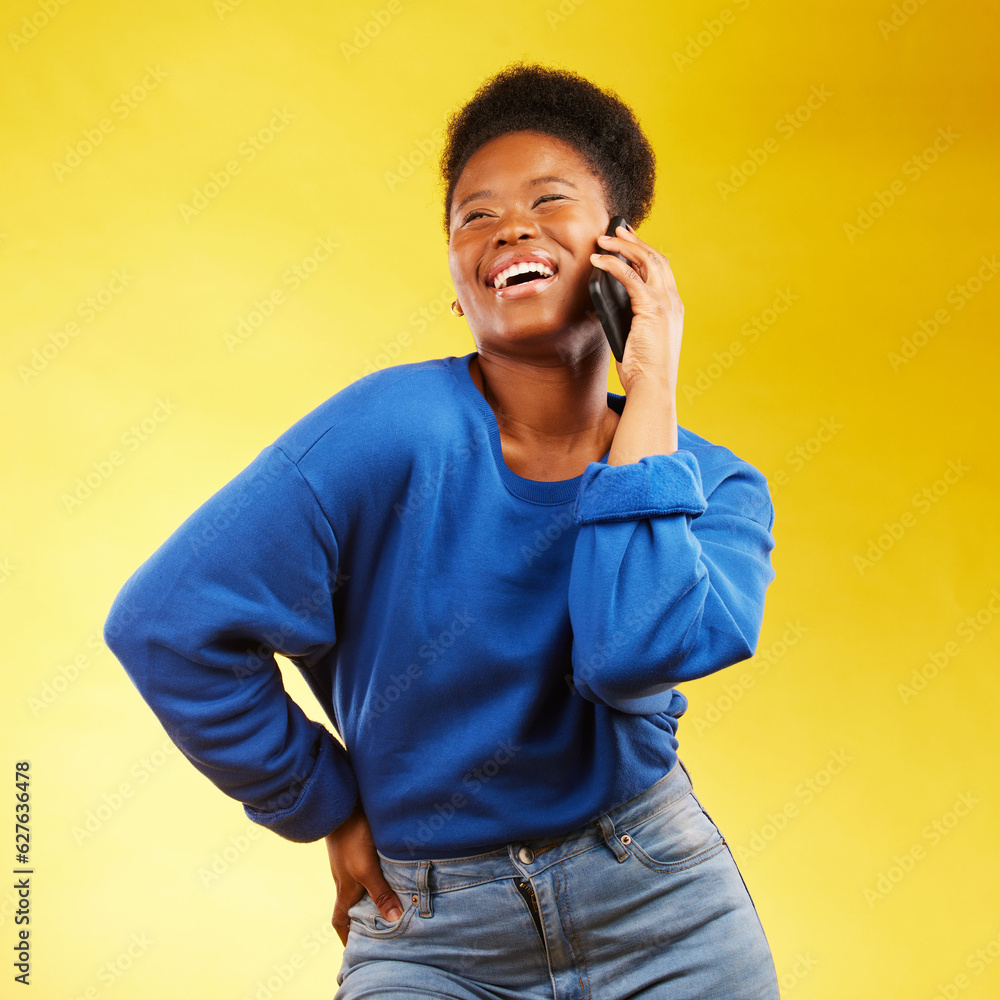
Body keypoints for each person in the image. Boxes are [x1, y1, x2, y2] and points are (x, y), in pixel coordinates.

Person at [104, 61, 780, 998]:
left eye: (551, 201)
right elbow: (164, 623)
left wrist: (652, 381)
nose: (510, 227)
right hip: (430, 931)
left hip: (663, 907)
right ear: (457, 285)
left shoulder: (720, 489)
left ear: (626, 252)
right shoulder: (387, 430)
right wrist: (325, 804)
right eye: (475, 215)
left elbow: (629, 653)